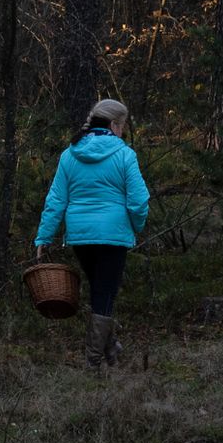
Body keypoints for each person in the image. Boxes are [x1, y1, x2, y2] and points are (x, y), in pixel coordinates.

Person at [35, 99, 149, 370]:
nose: (122, 132)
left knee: (100, 292)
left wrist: (43, 237)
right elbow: (139, 200)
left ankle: (110, 348)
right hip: (113, 236)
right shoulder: (124, 155)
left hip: (81, 237)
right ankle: (93, 363)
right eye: (121, 126)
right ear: (113, 125)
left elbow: (56, 200)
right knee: (105, 294)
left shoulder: (69, 155)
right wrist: (137, 225)